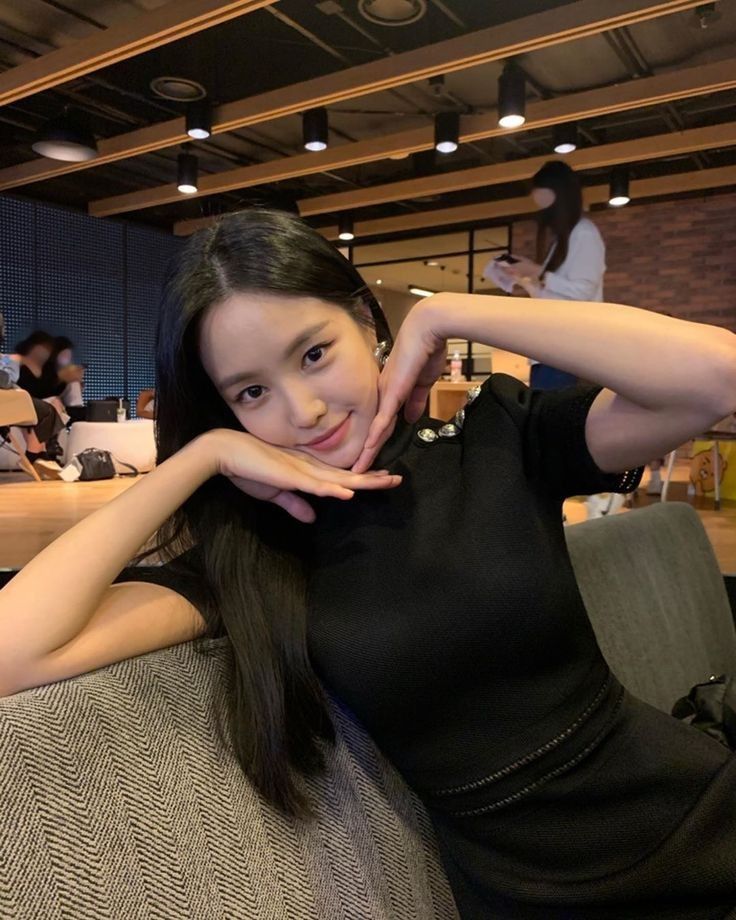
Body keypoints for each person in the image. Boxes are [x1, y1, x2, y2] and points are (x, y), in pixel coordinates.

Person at [1, 209, 736, 919]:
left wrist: (450, 311)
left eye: (314, 354)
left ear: (365, 321)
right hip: (528, 897)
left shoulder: (496, 438)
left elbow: (719, 375)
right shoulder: (259, 551)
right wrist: (200, 457)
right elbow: (12, 652)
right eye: (252, 392)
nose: (303, 410)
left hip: (700, 826)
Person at [495, 160, 606, 391]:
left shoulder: (584, 234)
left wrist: (538, 272)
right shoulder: (562, 241)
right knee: (545, 411)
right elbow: (552, 298)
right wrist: (524, 277)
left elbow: (582, 292)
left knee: (554, 411)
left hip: (568, 351)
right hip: (550, 350)